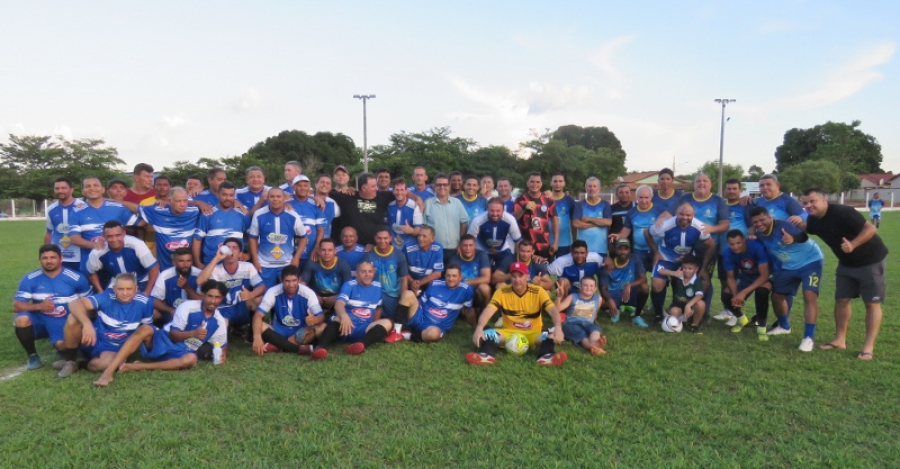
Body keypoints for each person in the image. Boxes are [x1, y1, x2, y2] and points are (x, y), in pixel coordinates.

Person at [802, 188, 889, 360]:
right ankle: (840, 340)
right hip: (846, 263)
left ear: (823, 200)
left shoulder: (843, 212)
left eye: (813, 201)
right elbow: (805, 230)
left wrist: (853, 244)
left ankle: (868, 347)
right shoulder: (813, 220)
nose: (809, 205)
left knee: (871, 303)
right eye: (805, 203)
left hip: (870, 260)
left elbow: (871, 228)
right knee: (841, 300)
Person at [92, 280, 229, 387]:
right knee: (145, 329)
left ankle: (138, 366)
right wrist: (193, 333)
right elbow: (173, 336)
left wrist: (222, 353)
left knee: (191, 359)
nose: (213, 301)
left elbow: (222, 344)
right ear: (204, 295)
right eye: (210, 296)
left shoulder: (219, 321)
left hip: (181, 351)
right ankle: (109, 371)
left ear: (222, 298)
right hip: (164, 339)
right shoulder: (188, 307)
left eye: (217, 297)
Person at [749, 206, 823, 351]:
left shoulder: (782, 225)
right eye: (755, 222)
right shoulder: (759, 233)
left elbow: (804, 236)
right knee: (777, 297)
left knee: (809, 296)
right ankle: (784, 326)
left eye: (762, 220)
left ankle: (808, 337)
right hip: (788, 265)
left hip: (810, 261)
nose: (759, 224)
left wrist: (792, 238)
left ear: (769, 217)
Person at [467, 261, 567, 366]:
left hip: (533, 334)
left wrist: (558, 328)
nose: (517, 280)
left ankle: (546, 356)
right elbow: (488, 311)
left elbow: (553, 310)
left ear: (527, 276)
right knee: (487, 333)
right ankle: (486, 355)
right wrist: (479, 327)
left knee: (549, 335)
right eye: (514, 276)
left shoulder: (538, 291)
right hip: (508, 333)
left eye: (521, 276)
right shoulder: (502, 291)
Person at [658, 173, 730, 317]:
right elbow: (668, 213)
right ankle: (678, 307)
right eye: (698, 181)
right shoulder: (685, 198)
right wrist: (660, 220)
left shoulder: (718, 201)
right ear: (694, 184)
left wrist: (711, 229)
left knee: (703, 279)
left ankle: (703, 312)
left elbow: (725, 224)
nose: (701, 183)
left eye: (705, 181)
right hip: (687, 248)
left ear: (710, 184)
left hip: (708, 247)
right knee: (681, 277)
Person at [57, 273, 154, 378]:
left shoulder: (145, 303)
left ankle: (80, 364)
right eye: (120, 289)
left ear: (136, 289)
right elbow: (74, 304)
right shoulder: (107, 296)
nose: (125, 293)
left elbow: (146, 329)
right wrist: (87, 324)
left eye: (129, 289)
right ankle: (69, 360)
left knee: (106, 364)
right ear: (114, 289)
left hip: (114, 348)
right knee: (73, 318)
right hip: (94, 339)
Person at [13, 245, 91, 370]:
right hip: (41, 318)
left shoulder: (76, 278)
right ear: (39, 259)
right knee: (21, 319)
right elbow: (17, 306)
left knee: (64, 346)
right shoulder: (30, 279)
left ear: (61, 258)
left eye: (53, 257)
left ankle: (68, 352)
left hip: (64, 320)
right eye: (45, 258)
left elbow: (89, 303)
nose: (49, 261)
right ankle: (33, 356)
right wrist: (40, 306)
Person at [646, 202, 715, 325]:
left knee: (703, 282)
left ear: (693, 215)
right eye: (681, 214)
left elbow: (710, 246)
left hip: (686, 261)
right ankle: (658, 314)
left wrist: (703, 268)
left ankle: (692, 314)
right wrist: (656, 252)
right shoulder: (664, 225)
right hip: (666, 258)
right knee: (657, 284)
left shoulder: (700, 227)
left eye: (688, 215)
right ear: (676, 213)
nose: (685, 217)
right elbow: (647, 233)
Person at [310, 261, 392, 360]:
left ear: (374, 273)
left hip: (363, 327)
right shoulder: (349, 285)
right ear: (357, 273)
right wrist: (344, 316)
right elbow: (339, 303)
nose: (367, 275)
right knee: (337, 319)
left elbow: (378, 308)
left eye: (370, 271)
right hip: (344, 326)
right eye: (363, 272)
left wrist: (375, 328)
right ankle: (320, 348)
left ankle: (360, 345)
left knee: (387, 322)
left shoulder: (378, 287)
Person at [330, 172, 420, 247]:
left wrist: (417, 199)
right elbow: (328, 192)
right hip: (354, 247)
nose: (376, 188)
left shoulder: (382, 196)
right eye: (373, 186)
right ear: (363, 188)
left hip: (376, 246)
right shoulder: (349, 197)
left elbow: (401, 192)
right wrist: (317, 198)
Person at [391, 264, 476, 342]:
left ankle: (406, 336)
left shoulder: (466, 291)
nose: (450, 279)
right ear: (445, 276)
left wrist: (475, 327)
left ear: (460, 277)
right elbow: (420, 303)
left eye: (454, 276)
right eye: (448, 276)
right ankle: (396, 332)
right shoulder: (435, 284)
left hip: (436, 327)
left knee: (433, 334)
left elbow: (469, 311)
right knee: (407, 294)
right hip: (421, 317)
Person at [68, 176, 136, 274]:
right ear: (83, 191)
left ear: (103, 189)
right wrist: (93, 245)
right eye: (88, 186)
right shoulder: (76, 211)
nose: (92, 188)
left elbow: (140, 223)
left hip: (117, 263)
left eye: (96, 185)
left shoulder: (118, 207)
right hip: (90, 265)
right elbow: (74, 238)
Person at [198, 237, 267, 330]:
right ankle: (231, 328)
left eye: (235, 248)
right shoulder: (216, 269)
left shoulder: (247, 267)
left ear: (240, 253)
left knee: (258, 299)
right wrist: (217, 258)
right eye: (228, 248)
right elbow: (200, 281)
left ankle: (253, 330)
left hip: (240, 306)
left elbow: (262, 287)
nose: (231, 250)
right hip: (222, 308)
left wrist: (251, 294)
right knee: (223, 328)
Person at [252, 265, 323, 355]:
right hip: (278, 331)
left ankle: (278, 346)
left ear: (299, 280)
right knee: (260, 326)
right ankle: (298, 349)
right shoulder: (273, 292)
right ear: (281, 280)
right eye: (287, 281)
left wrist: (315, 319)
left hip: (300, 331)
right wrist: (257, 337)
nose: (291, 285)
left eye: (294, 281)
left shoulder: (308, 293)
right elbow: (258, 315)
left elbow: (321, 317)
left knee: (321, 327)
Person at [248, 187, 308, 288]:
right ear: (267, 198)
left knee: (287, 294)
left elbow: (304, 237)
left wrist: (296, 257)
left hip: (286, 264)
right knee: (264, 296)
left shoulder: (292, 215)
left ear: (284, 198)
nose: (275, 199)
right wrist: (255, 259)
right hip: (264, 264)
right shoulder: (259, 214)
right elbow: (252, 238)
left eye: (278, 196)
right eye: (272, 196)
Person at [721, 230, 772, 340]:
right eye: (732, 244)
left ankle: (762, 327)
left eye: (738, 243)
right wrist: (736, 296)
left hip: (764, 277)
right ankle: (741, 318)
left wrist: (743, 292)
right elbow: (730, 277)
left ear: (744, 240)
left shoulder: (756, 247)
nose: (735, 247)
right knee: (726, 295)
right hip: (746, 277)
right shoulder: (727, 253)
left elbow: (764, 275)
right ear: (728, 243)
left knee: (761, 292)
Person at [85, 221, 159, 296]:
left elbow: (154, 268)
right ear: (103, 236)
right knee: (107, 303)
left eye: (117, 235)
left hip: (143, 280)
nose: (114, 240)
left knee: (147, 304)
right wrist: (100, 291)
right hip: (117, 282)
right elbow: (91, 273)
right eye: (109, 236)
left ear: (124, 233)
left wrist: (147, 292)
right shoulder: (98, 252)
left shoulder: (137, 244)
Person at [137, 187, 201, 272]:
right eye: (178, 201)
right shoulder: (158, 211)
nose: (182, 204)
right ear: (170, 201)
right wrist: (118, 202)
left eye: (185, 200)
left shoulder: (195, 211)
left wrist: (200, 191)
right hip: (164, 267)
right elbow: (136, 208)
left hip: (187, 268)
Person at [192, 181, 250, 269]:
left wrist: (248, 255)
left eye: (231, 195)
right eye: (224, 195)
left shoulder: (242, 214)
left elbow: (254, 237)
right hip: (211, 264)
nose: (228, 198)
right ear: (218, 194)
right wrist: (198, 263)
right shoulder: (208, 214)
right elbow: (197, 240)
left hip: (236, 265)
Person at [362, 226, 409, 321]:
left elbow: (404, 279)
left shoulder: (399, 255)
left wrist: (402, 299)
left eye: (385, 238)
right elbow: (362, 278)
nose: (382, 241)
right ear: (375, 238)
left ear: (391, 238)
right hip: (373, 293)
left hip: (392, 294)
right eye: (379, 238)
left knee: (397, 318)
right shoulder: (368, 255)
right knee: (366, 318)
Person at [598, 239, 648, 324]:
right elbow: (603, 288)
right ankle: (616, 309)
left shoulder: (634, 259)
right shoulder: (609, 264)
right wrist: (609, 300)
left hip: (630, 292)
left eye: (625, 249)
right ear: (615, 249)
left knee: (645, 287)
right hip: (614, 293)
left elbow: (644, 279)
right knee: (601, 302)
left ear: (629, 250)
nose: (623, 251)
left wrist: (629, 285)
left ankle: (637, 315)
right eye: (620, 249)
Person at [619, 185, 664, 275]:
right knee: (639, 278)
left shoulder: (660, 211)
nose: (644, 201)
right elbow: (626, 230)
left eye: (646, 197)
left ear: (651, 198)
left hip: (657, 250)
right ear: (637, 198)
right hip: (638, 250)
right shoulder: (631, 212)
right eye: (641, 197)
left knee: (658, 278)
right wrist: (618, 236)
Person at [424, 173, 469, 262]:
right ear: (434, 186)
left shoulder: (457, 203)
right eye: (439, 185)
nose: (442, 187)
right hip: (434, 249)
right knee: (436, 275)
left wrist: (461, 243)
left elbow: (463, 223)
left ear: (449, 186)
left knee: (452, 275)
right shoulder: (428, 204)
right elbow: (424, 226)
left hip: (454, 249)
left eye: (445, 185)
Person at [556, 276, 607, 355]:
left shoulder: (598, 298)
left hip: (588, 323)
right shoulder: (573, 296)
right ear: (580, 287)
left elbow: (595, 313)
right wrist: (559, 297)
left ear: (595, 288)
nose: (588, 288)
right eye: (585, 285)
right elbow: (558, 309)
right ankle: (592, 346)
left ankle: (595, 343)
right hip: (571, 323)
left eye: (591, 286)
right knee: (581, 334)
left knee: (595, 329)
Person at [656, 255, 707, 334]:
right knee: (674, 312)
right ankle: (680, 322)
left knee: (701, 304)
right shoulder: (678, 276)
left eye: (690, 268)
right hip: (678, 305)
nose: (686, 271)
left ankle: (694, 325)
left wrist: (688, 305)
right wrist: (674, 273)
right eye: (684, 268)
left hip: (691, 307)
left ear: (696, 269)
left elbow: (699, 295)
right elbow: (660, 271)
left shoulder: (697, 280)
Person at [151, 248, 202, 325]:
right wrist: (170, 310)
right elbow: (154, 300)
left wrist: (187, 288)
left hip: (194, 313)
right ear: (174, 262)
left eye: (188, 261)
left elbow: (203, 300)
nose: (185, 264)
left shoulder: (199, 275)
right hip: (172, 313)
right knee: (153, 312)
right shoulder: (165, 275)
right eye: (181, 261)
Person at [547, 240, 604, 309]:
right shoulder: (562, 261)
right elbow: (546, 271)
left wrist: (608, 262)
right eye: (576, 253)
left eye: (582, 253)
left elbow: (607, 264)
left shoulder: (595, 258)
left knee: (604, 302)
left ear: (587, 253)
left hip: (586, 290)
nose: (579, 256)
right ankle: (563, 306)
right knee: (562, 281)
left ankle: (588, 304)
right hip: (569, 291)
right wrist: (547, 286)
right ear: (571, 252)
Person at [513, 172, 558, 259]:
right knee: (526, 271)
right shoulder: (520, 200)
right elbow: (513, 219)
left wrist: (555, 242)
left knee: (544, 271)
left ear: (541, 184)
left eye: (538, 182)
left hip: (543, 244)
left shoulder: (548, 200)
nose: (535, 184)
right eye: (532, 181)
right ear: (527, 183)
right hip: (525, 247)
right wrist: (523, 208)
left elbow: (555, 222)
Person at [468, 197, 522, 268]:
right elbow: (469, 240)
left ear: (503, 210)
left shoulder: (510, 220)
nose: (495, 214)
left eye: (498, 211)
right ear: (487, 209)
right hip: (482, 250)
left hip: (503, 249)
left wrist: (518, 260)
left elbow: (518, 241)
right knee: (484, 271)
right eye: (492, 211)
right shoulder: (478, 220)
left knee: (509, 268)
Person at [301, 239, 352, 313]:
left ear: (335, 251)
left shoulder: (343, 265)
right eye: (323, 250)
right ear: (318, 251)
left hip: (337, 300)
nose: (326, 253)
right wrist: (313, 296)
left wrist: (337, 297)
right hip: (316, 299)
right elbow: (302, 284)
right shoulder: (312, 264)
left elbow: (350, 287)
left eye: (330, 250)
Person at [285, 174, 324, 271]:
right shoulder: (285, 203)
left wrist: (317, 247)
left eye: (305, 185)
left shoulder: (315, 204)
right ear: (294, 187)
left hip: (311, 253)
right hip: (289, 254)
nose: (303, 188)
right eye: (299, 185)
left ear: (309, 187)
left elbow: (321, 230)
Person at [45, 177, 85, 271]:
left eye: (63, 188)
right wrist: (47, 253)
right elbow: (49, 233)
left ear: (72, 189)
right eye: (57, 188)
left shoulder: (83, 206)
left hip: (80, 256)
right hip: (59, 257)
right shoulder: (51, 209)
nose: (60, 191)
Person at [449, 235, 492, 313]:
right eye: (465, 245)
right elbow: (451, 281)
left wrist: (465, 282)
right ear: (460, 247)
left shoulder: (481, 255)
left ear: (475, 246)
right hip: (462, 291)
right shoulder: (454, 259)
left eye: (470, 245)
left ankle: (483, 313)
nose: (468, 248)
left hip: (476, 290)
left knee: (485, 288)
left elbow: (486, 278)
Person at [572, 177, 612, 257]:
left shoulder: (605, 204)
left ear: (599, 188)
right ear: (585, 188)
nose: (592, 188)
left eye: (594, 186)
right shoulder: (579, 204)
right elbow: (576, 223)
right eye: (589, 186)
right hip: (583, 250)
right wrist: (598, 223)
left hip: (601, 248)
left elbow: (608, 222)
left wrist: (588, 219)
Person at [403, 226, 444, 294]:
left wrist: (419, 284)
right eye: (419, 236)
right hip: (410, 280)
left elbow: (437, 273)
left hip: (427, 281)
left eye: (424, 236)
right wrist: (412, 282)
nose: (420, 239)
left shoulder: (438, 248)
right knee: (402, 280)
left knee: (434, 283)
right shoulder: (408, 247)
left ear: (432, 239)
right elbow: (402, 269)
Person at [386, 177, 423, 249]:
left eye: (402, 190)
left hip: (410, 247)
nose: (399, 193)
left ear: (406, 191)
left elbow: (419, 230)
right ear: (393, 191)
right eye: (397, 190)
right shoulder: (389, 206)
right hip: (393, 247)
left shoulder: (414, 206)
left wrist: (411, 230)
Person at [549, 173, 575, 258]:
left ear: (564, 183)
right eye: (555, 181)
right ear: (551, 183)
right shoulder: (545, 199)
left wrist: (574, 242)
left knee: (563, 270)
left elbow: (573, 223)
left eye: (560, 181)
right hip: (546, 242)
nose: (557, 184)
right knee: (545, 269)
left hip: (564, 243)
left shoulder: (569, 200)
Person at [314, 174, 340, 240]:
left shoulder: (333, 203)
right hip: (307, 241)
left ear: (331, 187)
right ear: (316, 184)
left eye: (327, 183)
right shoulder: (307, 200)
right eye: (322, 182)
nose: (325, 185)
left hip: (325, 242)